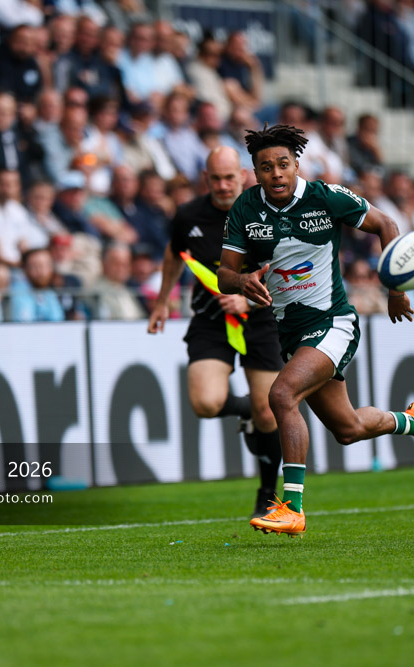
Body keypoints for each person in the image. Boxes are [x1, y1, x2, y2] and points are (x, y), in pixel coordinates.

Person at [218, 125, 414, 536]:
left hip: (333, 323)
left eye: (283, 165)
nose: (275, 173)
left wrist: (395, 290)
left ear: (297, 164)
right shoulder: (245, 209)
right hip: (291, 333)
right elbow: (224, 274)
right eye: (265, 167)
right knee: (348, 429)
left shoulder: (326, 197)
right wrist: (241, 282)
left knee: (281, 393)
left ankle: (291, 508)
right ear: (254, 172)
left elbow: (386, 224)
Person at [148, 146, 283, 518]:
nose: (224, 185)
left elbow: (287, 267)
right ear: (205, 179)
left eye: (229, 177)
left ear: (243, 175)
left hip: (263, 317)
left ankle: (269, 491)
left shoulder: (267, 212)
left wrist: (250, 301)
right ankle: (248, 412)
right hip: (211, 318)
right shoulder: (189, 215)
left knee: (270, 414)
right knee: (206, 402)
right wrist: (163, 301)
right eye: (216, 178)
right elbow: (175, 254)